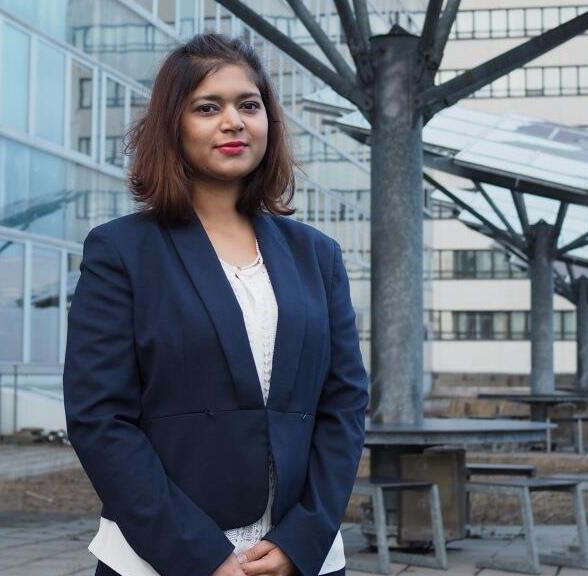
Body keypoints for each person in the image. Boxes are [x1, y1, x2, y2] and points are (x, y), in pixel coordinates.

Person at [62, 33, 369, 576]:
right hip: (160, 556)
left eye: (248, 105)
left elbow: (342, 404)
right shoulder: (122, 252)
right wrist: (201, 557)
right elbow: (101, 419)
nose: (234, 121)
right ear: (172, 126)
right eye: (208, 107)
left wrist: (303, 541)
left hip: (299, 559)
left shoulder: (317, 256)